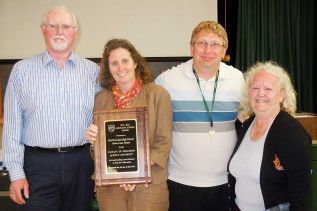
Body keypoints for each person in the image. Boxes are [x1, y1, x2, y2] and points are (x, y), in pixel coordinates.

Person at [2, 6, 100, 211]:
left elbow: (102, 120)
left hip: (82, 164)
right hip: (38, 166)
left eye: (66, 26)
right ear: (42, 29)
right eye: (52, 26)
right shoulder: (22, 71)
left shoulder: (93, 72)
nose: (59, 31)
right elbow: (12, 126)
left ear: (75, 31)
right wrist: (16, 174)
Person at [155, 20, 245, 211]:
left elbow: (250, 120)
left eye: (215, 44)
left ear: (224, 50)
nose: (207, 50)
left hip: (225, 182)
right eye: (201, 43)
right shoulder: (167, 80)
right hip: (180, 182)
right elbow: (145, 116)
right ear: (191, 47)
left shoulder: (237, 79)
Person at [85, 38, 172, 211]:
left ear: (135, 63)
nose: (120, 68)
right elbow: (99, 150)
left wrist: (134, 173)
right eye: (114, 63)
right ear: (108, 69)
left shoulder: (158, 95)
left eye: (125, 61)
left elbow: (163, 143)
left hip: (149, 183)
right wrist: (93, 139)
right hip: (111, 187)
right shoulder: (101, 99)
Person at [228, 61, 311, 211]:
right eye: (255, 88)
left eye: (268, 89)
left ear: (282, 95)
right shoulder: (246, 125)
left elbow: (300, 191)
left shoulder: (291, 132)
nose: (261, 94)